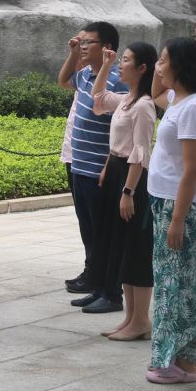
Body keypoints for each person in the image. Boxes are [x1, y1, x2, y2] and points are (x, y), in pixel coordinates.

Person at [143, 37, 196, 383]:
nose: (158, 66)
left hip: (181, 205)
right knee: (175, 282)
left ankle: (172, 361)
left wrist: (177, 219)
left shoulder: (193, 108)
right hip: (167, 201)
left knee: (177, 287)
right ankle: (181, 360)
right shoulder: (178, 99)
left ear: (180, 66)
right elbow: (156, 91)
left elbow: (193, 169)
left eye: (163, 60)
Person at [89, 42, 160, 338]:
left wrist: (128, 192)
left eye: (126, 60)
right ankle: (131, 319)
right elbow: (97, 98)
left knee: (136, 249)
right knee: (123, 248)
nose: (121, 64)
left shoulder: (143, 105)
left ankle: (141, 320)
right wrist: (105, 65)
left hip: (133, 180)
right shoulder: (126, 100)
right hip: (119, 172)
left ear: (142, 68)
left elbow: (140, 152)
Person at [58, 22, 127, 307]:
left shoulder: (118, 81)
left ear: (107, 47)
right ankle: (96, 284)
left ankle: (110, 291)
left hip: (99, 168)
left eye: (88, 43)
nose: (83, 47)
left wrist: (108, 165)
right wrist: (73, 52)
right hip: (80, 164)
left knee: (103, 232)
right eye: (81, 42)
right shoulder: (85, 74)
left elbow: (121, 129)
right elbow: (64, 80)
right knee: (88, 228)